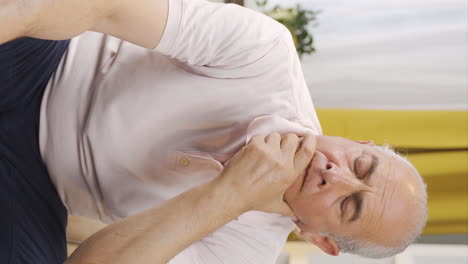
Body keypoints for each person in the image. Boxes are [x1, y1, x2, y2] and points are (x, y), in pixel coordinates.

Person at [0, 0, 428, 263]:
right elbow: (106, 5)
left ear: (319, 239)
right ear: (358, 144)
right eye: (361, 165)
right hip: (44, 65)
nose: (334, 175)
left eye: (348, 205)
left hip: (36, 189)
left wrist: (228, 196)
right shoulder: (267, 56)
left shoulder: (243, 255)